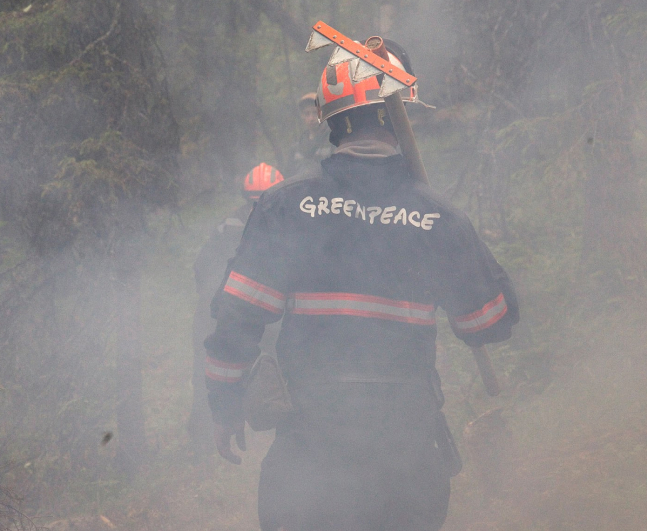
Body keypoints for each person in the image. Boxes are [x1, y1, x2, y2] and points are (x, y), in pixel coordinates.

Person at [203, 40, 519, 530]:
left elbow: (237, 320)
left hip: (308, 461)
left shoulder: (286, 206)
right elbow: (489, 321)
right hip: (407, 464)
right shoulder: (439, 218)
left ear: (329, 116)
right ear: (402, 116)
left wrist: (224, 406)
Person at [188, 162, 285, 456]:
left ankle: (205, 437)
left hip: (223, 313)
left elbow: (202, 267)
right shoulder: (284, 223)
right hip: (266, 316)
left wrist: (212, 300)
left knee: (209, 368)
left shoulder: (228, 223)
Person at [287, 92, 331, 177]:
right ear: (302, 116)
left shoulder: (333, 142)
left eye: (315, 113)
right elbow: (288, 178)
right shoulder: (296, 148)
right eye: (307, 114)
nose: (311, 118)